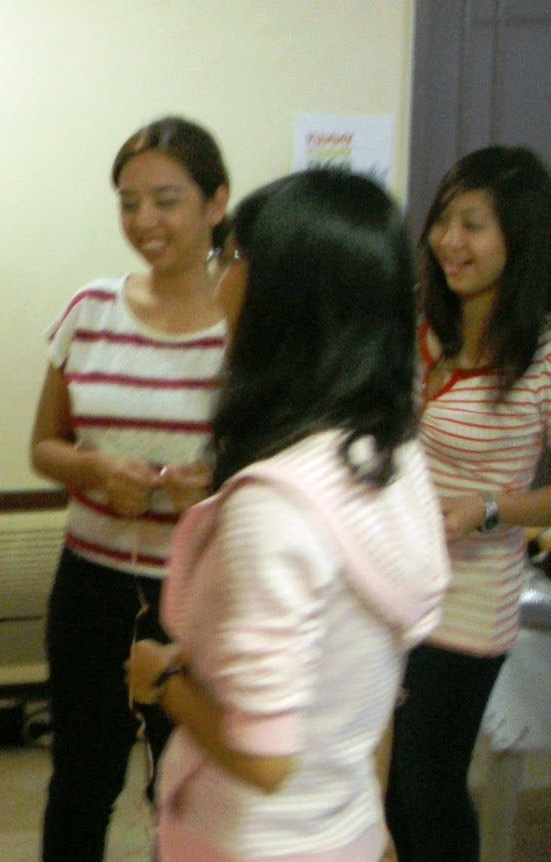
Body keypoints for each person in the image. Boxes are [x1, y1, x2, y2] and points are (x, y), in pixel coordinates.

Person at [125, 169, 450, 861]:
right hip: (342, 827)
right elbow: (351, 668)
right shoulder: (389, 451)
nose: (219, 282)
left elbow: (265, 756)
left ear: (287, 292)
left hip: (246, 841)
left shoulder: (274, 510)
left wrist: (163, 681)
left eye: (233, 257)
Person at [30, 116, 229, 862]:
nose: (145, 220)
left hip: (202, 594)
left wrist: (214, 489)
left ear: (216, 202)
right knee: (81, 781)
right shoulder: (91, 309)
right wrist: (95, 470)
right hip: (92, 585)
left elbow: (276, 464)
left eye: (166, 200)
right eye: (128, 202)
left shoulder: (247, 323)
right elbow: (44, 446)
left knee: (187, 787)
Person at [384, 145, 551, 862]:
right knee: (391, 784)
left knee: (429, 781)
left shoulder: (542, 356)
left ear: (520, 238)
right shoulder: (417, 324)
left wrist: (488, 509)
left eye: (473, 225)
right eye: (444, 220)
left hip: (471, 594)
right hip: (392, 578)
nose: (449, 241)